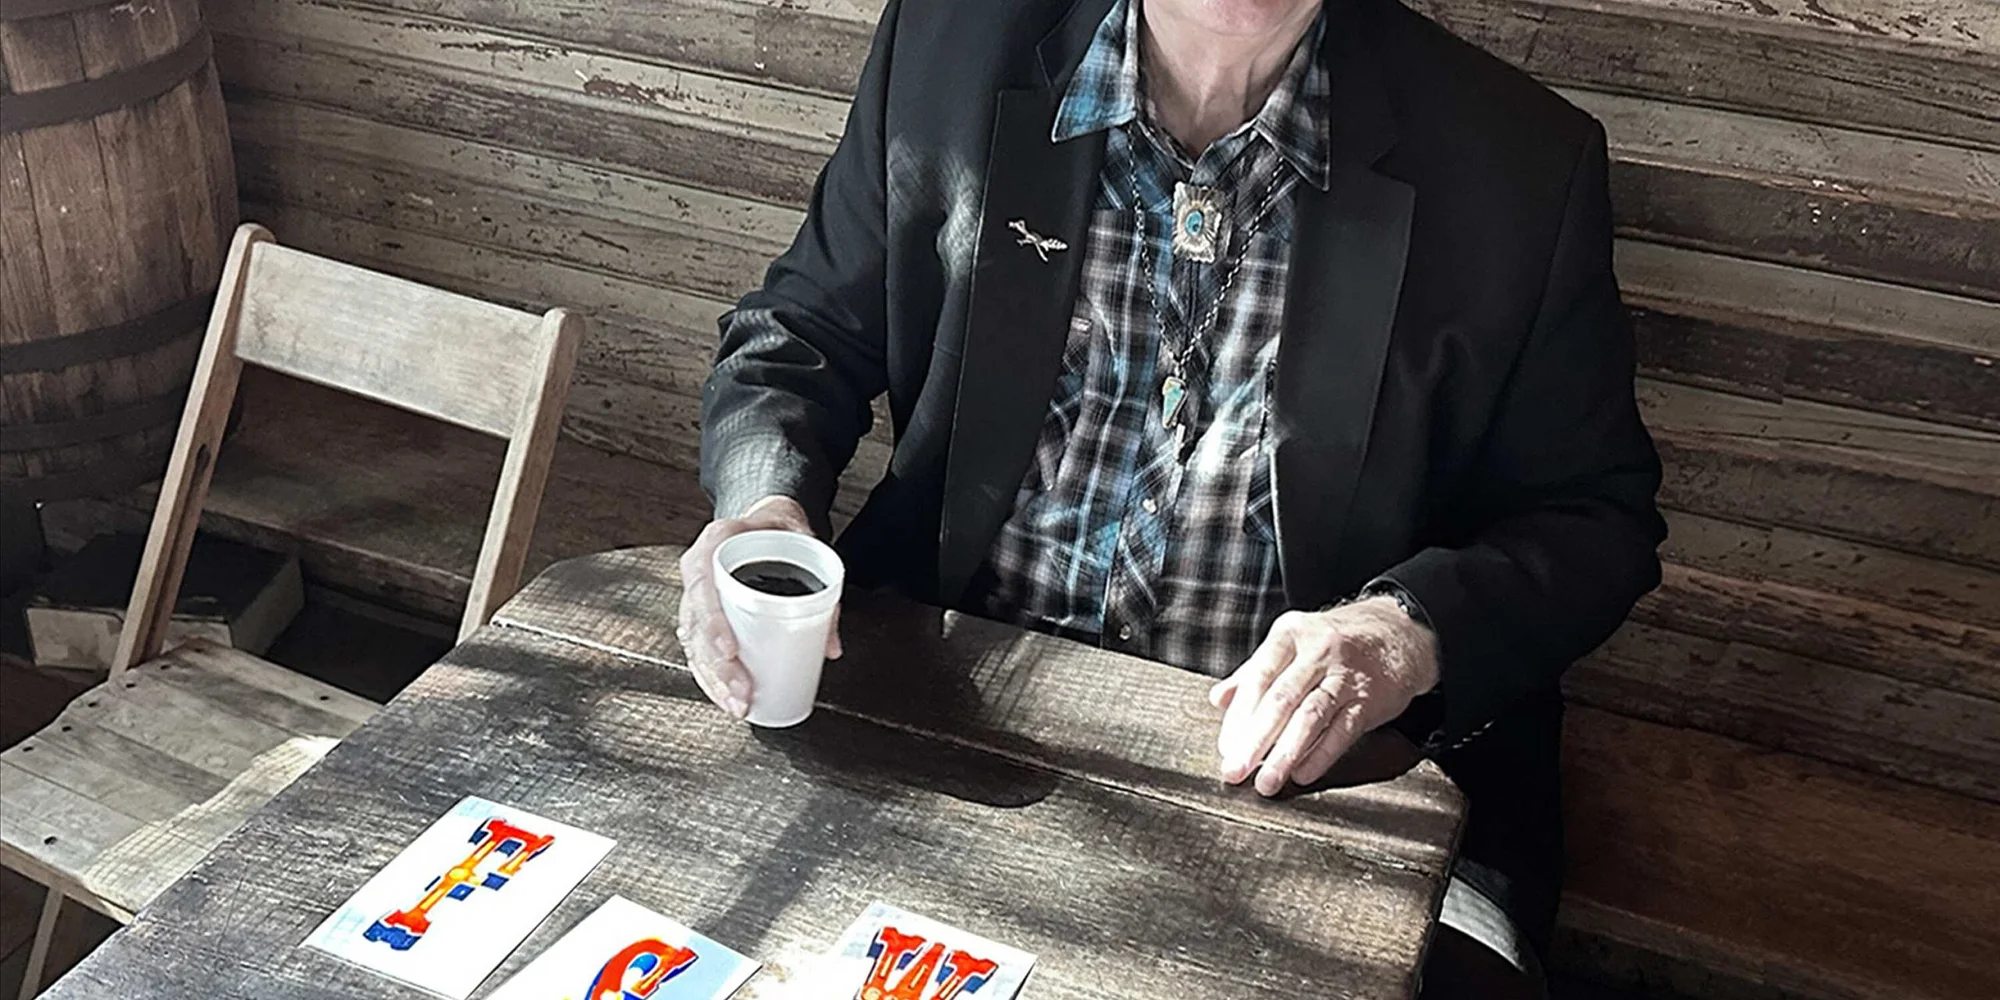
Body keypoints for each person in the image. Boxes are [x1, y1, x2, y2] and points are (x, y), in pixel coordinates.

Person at [679, 0, 1666, 993]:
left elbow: (1592, 513)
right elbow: (800, 334)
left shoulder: (1516, 160)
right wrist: (762, 507)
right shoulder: (947, 46)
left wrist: (1399, 633)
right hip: (947, 706)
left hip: (1315, 785)